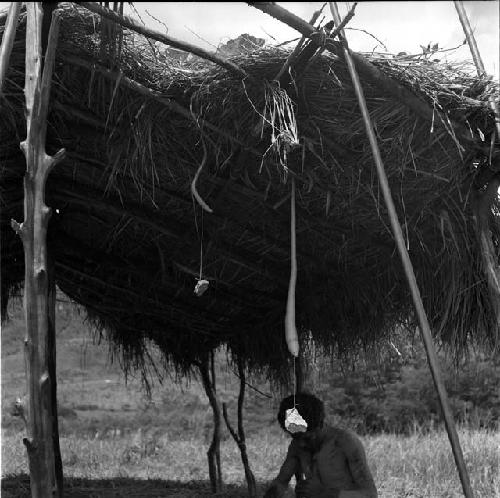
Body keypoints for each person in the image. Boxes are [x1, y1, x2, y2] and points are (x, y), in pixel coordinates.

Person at [263, 392, 378, 498]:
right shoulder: (297, 445)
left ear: (321, 424)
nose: (302, 444)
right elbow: (281, 482)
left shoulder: (345, 443)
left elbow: (371, 495)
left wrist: (324, 493)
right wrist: (272, 494)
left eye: (307, 438)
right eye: (296, 438)